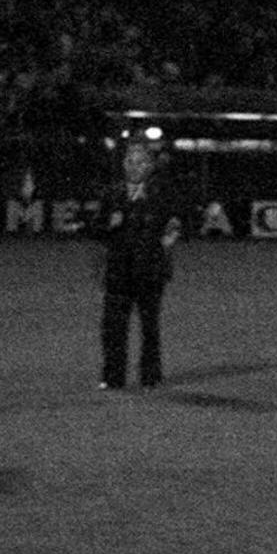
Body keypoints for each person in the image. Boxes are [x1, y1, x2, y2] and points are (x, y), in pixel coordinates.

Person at [95, 135, 181, 389]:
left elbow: (175, 222)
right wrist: (106, 225)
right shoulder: (112, 193)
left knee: (150, 327)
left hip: (150, 270)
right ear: (123, 165)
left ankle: (150, 375)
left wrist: (169, 239)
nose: (134, 167)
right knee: (113, 328)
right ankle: (112, 376)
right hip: (118, 271)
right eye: (130, 162)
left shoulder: (161, 194)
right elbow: (94, 228)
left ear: (149, 166)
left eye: (140, 162)